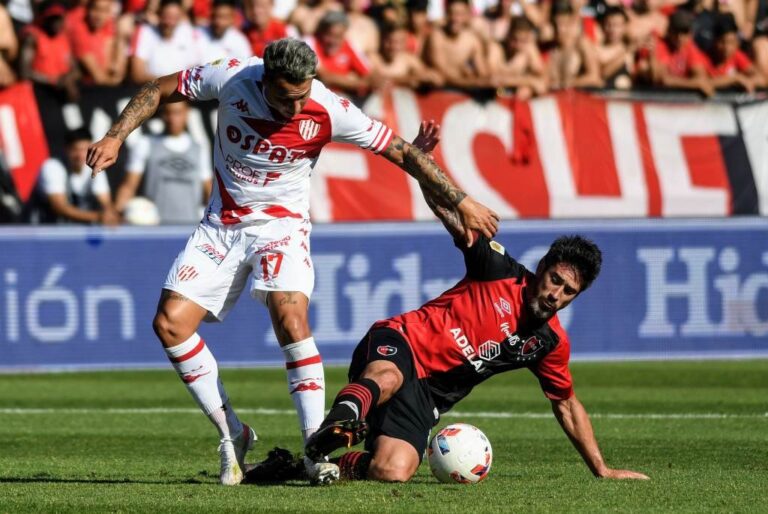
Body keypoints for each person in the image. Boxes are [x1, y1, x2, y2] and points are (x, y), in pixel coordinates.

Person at [86, 38, 500, 486]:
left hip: (281, 228)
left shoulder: (328, 107)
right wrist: (115, 135)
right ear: (264, 80)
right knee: (169, 324)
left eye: (303, 95)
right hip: (222, 225)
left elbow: (401, 151)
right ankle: (233, 434)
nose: (296, 107)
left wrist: (462, 201)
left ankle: (313, 450)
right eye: (286, 97)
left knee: (290, 318)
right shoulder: (232, 76)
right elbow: (159, 88)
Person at [247, 122, 650, 485]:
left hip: (428, 395)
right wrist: (422, 164)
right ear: (542, 267)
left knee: (394, 469)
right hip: (402, 343)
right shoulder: (498, 269)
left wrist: (602, 468)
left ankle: (303, 466)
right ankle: (341, 420)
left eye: (568, 292)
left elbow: (566, 405)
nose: (555, 294)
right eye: (555, 280)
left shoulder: (548, 342)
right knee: (386, 377)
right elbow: (448, 213)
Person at [115, 101, 212, 225]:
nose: (172, 118)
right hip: (157, 228)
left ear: (187, 113)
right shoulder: (145, 143)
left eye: (177, 113)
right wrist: (117, 211)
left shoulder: (199, 149)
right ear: (162, 114)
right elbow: (129, 186)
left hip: (191, 226)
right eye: (167, 113)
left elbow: (208, 189)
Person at [37, 127, 119, 225]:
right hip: (47, 229)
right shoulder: (53, 167)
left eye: (84, 149)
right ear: (66, 149)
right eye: (75, 150)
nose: (80, 155)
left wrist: (109, 214)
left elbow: (105, 202)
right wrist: (99, 217)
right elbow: (58, 206)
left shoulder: (95, 168)